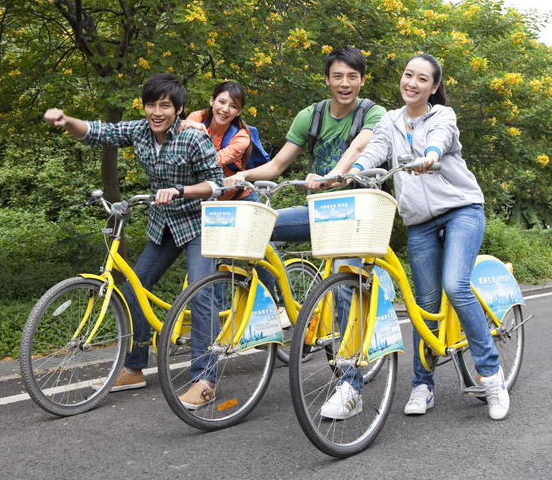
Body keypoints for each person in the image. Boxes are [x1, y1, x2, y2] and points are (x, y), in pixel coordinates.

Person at [323, 53, 510, 421]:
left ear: (434, 87)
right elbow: (376, 149)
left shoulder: (443, 115)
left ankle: (491, 377)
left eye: (422, 79)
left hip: (461, 209)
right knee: (423, 305)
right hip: (420, 221)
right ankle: (423, 385)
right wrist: (354, 171)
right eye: (408, 75)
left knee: (454, 286)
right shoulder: (390, 121)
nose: (413, 83)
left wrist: (430, 154)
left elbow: (441, 138)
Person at [43, 73, 225, 410]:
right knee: (133, 287)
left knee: (201, 293)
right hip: (163, 225)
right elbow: (99, 133)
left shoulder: (192, 138)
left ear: (179, 109)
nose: (157, 112)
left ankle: (205, 379)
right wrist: (66, 120)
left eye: (165, 106)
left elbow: (217, 185)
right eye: (151, 105)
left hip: (199, 224)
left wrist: (181, 190)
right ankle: (134, 367)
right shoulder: (140, 131)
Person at [227, 46, 386, 242]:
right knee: (255, 227)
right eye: (337, 76)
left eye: (352, 77)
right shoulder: (310, 117)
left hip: (360, 212)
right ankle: (278, 274)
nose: (344, 84)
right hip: (320, 208)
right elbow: (277, 166)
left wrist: (327, 178)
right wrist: (243, 175)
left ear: (362, 80)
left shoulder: (374, 113)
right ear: (327, 79)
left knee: (350, 270)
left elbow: (358, 148)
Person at [180, 80, 257, 202]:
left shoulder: (241, 137)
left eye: (233, 106)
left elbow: (211, 162)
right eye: (221, 102)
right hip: (206, 198)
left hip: (239, 199)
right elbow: (183, 151)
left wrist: (202, 130)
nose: (225, 109)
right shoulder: (197, 118)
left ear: (239, 112)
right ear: (212, 101)